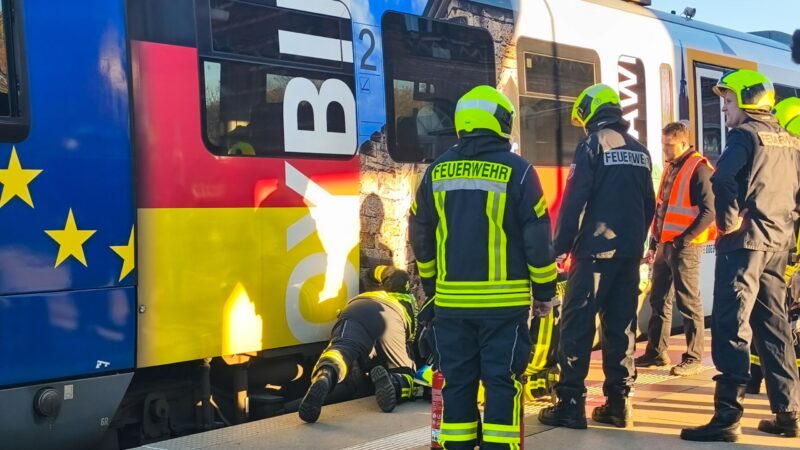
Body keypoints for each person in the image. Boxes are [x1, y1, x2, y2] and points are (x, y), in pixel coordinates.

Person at [409, 85, 556, 449]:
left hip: (452, 307)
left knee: (457, 384)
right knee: (502, 384)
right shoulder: (519, 172)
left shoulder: (436, 172)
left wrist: (431, 287)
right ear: (500, 122)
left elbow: (420, 237)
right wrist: (544, 294)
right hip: (503, 310)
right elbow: (537, 242)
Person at [680, 69, 800, 442]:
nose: (723, 107)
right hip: (778, 245)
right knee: (774, 327)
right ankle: (789, 413)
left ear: (748, 102)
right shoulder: (790, 141)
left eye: (728, 101)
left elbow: (723, 179)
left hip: (745, 245)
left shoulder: (744, 136)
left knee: (732, 325)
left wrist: (728, 221)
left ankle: (727, 418)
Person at [538, 83, 656, 430]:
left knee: (577, 326)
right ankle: (618, 403)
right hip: (628, 254)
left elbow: (575, 200)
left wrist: (560, 248)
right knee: (620, 327)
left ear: (591, 112)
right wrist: (635, 241)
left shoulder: (592, 145)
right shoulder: (640, 150)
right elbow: (649, 204)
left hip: (593, 255)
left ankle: (571, 403)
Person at [635, 121, 715, 376]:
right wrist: (654, 241)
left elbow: (709, 211)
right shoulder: (672, 167)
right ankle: (656, 353)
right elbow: (662, 208)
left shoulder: (699, 168)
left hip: (685, 247)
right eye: (663, 146)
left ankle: (693, 357)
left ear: (682, 142)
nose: (664, 152)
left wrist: (684, 239)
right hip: (666, 245)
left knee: (689, 302)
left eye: (669, 146)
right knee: (659, 299)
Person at [298, 265, 418, 423]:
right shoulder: (409, 302)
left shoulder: (374, 291)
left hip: (355, 309)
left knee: (340, 350)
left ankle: (326, 374)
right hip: (390, 317)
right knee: (408, 375)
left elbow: (377, 272)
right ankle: (395, 384)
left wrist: (371, 273)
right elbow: (408, 341)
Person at [747, 96, 800, 395]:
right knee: (776, 317)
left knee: (773, 316)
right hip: (786, 249)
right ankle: (759, 375)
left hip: (786, 250)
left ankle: (757, 376)